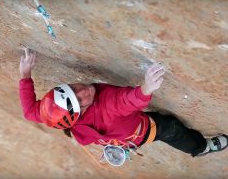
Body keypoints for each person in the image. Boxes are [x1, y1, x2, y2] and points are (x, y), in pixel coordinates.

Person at [19, 48, 228, 159]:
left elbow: (29, 112)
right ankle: (201, 148)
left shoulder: (54, 113)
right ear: (80, 114)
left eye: (73, 88)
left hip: (117, 135)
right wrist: (146, 88)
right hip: (142, 131)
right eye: (80, 99)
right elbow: (126, 102)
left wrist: (25, 74)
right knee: (171, 128)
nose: (83, 90)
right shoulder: (105, 105)